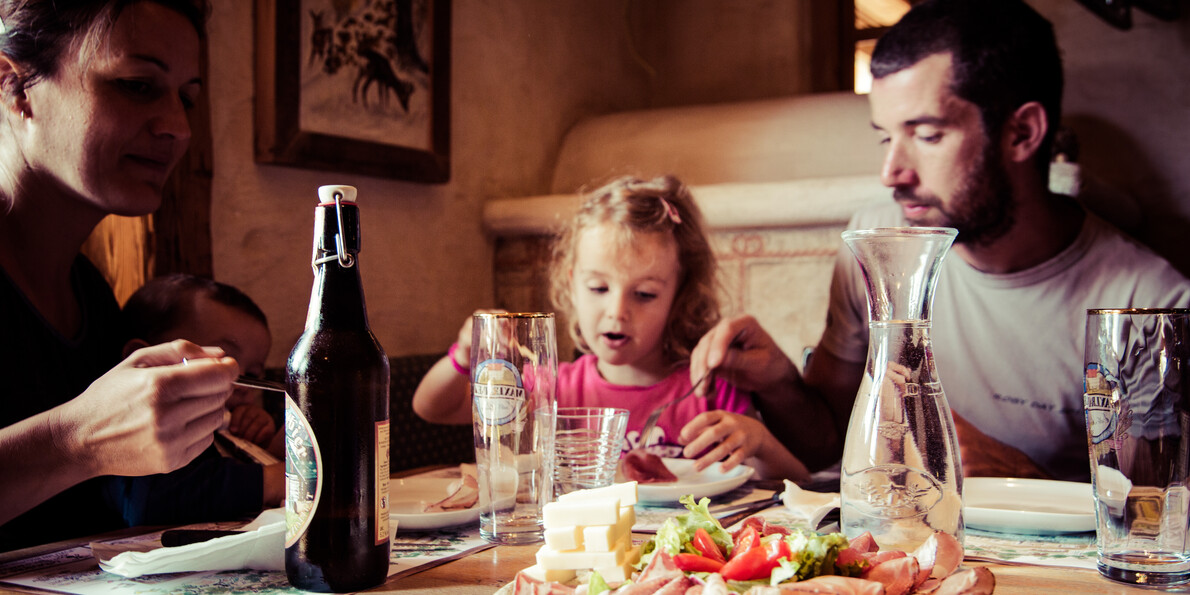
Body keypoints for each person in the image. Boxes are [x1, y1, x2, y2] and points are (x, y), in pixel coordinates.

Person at [691, 0, 1190, 483]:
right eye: (887, 138)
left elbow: (1153, 517)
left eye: (927, 135)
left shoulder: (1151, 305)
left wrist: (1019, 476)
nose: (892, 173)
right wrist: (779, 383)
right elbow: (827, 444)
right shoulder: (878, 246)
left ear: (1021, 133)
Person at [0, 0, 241, 551]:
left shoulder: (92, 296)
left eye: (187, 98)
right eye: (137, 85)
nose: (178, 128)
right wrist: (77, 439)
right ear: (15, 89)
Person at [414, 176, 809, 482]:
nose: (617, 311)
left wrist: (760, 439)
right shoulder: (554, 388)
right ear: (571, 284)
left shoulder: (708, 388)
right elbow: (433, 408)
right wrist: (466, 356)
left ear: (680, 294)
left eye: (645, 294)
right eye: (599, 288)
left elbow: (798, 483)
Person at [113, 273, 283, 526]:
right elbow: (156, 500)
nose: (244, 385)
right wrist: (269, 480)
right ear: (144, 360)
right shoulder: (135, 436)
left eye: (254, 374)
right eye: (222, 361)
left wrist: (261, 444)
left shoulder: (233, 427)